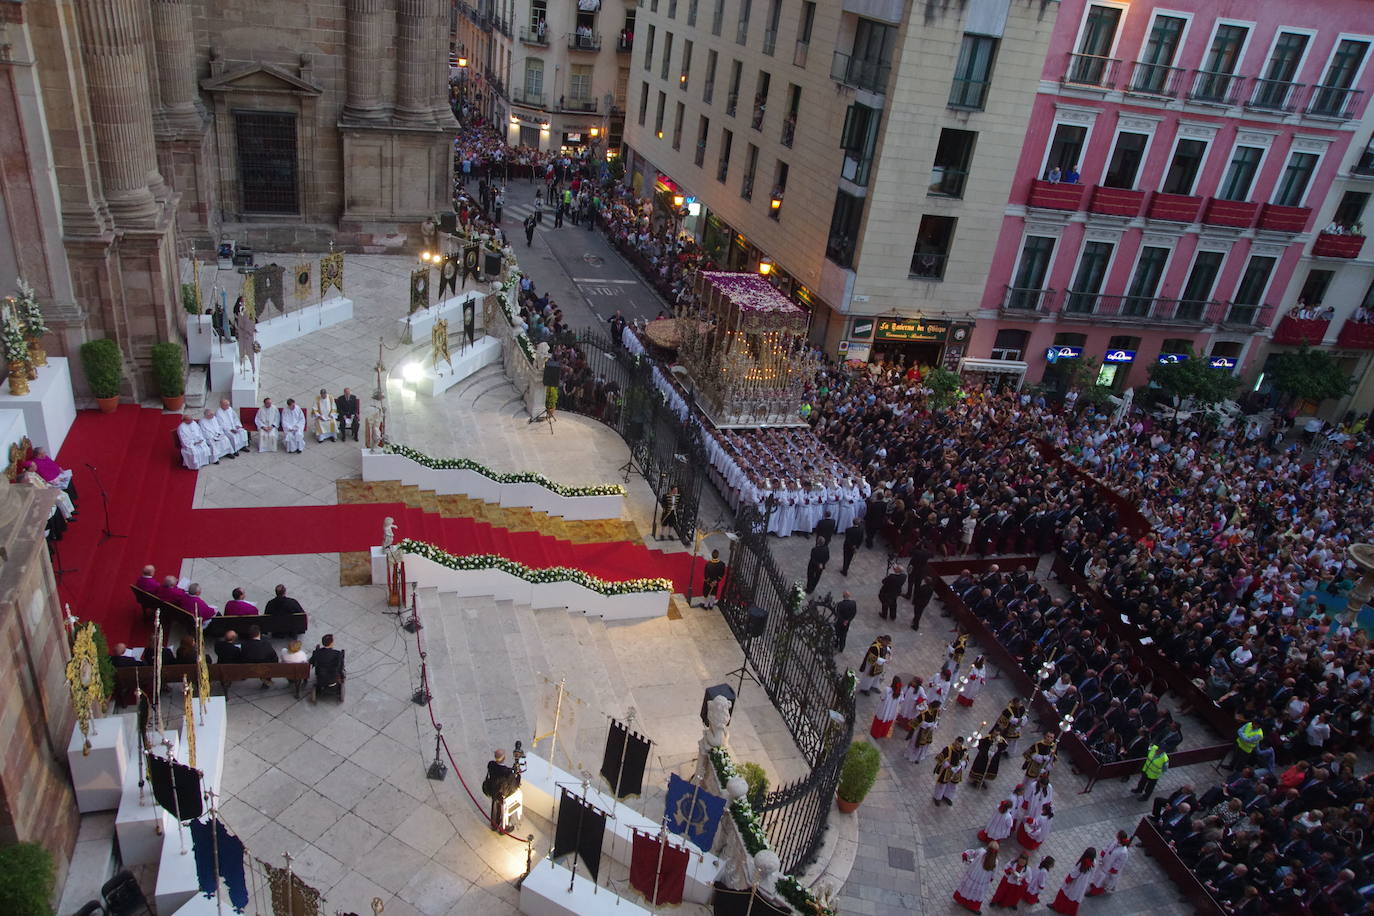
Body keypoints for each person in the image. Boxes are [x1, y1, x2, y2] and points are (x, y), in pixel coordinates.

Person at [954, 841, 999, 913]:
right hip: (982, 881)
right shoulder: (995, 862)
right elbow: (993, 874)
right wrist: (990, 879)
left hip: (973, 875)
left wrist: (966, 853)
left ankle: (962, 900)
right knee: (976, 893)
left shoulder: (982, 852)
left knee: (967, 888)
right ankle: (973, 907)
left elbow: (973, 852)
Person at [1048, 848, 1094, 915]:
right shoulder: (1094, 863)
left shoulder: (1082, 864)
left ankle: (1057, 907)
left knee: (1063, 894)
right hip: (1082, 886)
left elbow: (1073, 875)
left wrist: (1067, 881)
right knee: (1075, 898)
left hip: (1074, 884)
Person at [1086, 832, 1131, 896]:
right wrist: (1102, 856)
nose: (1116, 837)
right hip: (1104, 863)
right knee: (1097, 875)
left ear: (1120, 838)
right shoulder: (1115, 841)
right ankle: (1094, 884)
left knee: (1102, 881)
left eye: (1117, 836)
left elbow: (1119, 863)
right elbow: (1107, 847)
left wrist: (1112, 871)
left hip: (1109, 869)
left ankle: (1094, 892)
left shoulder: (1123, 852)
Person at [484, 748, 518, 830]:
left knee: (495, 807)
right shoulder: (506, 771)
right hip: (502, 793)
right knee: (505, 809)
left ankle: (494, 825)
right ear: (504, 758)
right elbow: (513, 783)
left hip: (493, 790)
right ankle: (504, 827)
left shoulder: (491, 764)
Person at [932, 736, 970, 805]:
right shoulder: (948, 749)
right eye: (956, 743)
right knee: (942, 784)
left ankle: (947, 796)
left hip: (957, 770)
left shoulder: (964, 750)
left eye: (959, 744)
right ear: (955, 741)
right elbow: (940, 759)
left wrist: (961, 765)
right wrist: (949, 766)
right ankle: (937, 797)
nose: (957, 745)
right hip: (947, 770)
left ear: (961, 744)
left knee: (953, 785)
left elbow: (966, 760)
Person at [307, 634, 344, 702]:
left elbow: (311, 662)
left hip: (321, 677)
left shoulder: (317, 653)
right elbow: (340, 667)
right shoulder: (338, 654)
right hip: (333, 677)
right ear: (331, 643)